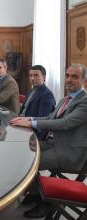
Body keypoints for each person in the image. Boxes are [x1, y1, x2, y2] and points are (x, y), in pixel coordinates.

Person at [10, 64, 87, 218]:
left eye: (74, 76)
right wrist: (28, 119)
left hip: (69, 152)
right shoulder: (66, 99)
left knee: (28, 163)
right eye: (67, 75)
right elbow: (49, 118)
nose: (69, 79)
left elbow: (64, 124)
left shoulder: (84, 102)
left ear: (85, 80)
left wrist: (32, 123)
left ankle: (44, 202)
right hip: (53, 143)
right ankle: (34, 195)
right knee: (22, 154)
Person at [19, 65, 56, 140]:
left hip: (32, 131)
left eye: (36, 75)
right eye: (30, 75)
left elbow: (43, 120)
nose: (32, 78)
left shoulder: (47, 95)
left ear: (44, 77)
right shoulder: (30, 91)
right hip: (22, 124)